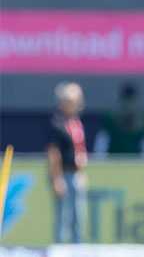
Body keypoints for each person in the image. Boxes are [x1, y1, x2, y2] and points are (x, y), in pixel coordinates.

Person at [47, 81, 88, 243]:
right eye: (70, 102)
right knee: (63, 218)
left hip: (76, 174)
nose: (74, 105)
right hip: (63, 175)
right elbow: (53, 153)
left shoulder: (76, 122)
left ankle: (77, 250)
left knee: (78, 217)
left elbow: (79, 147)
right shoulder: (57, 124)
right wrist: (57, 179)